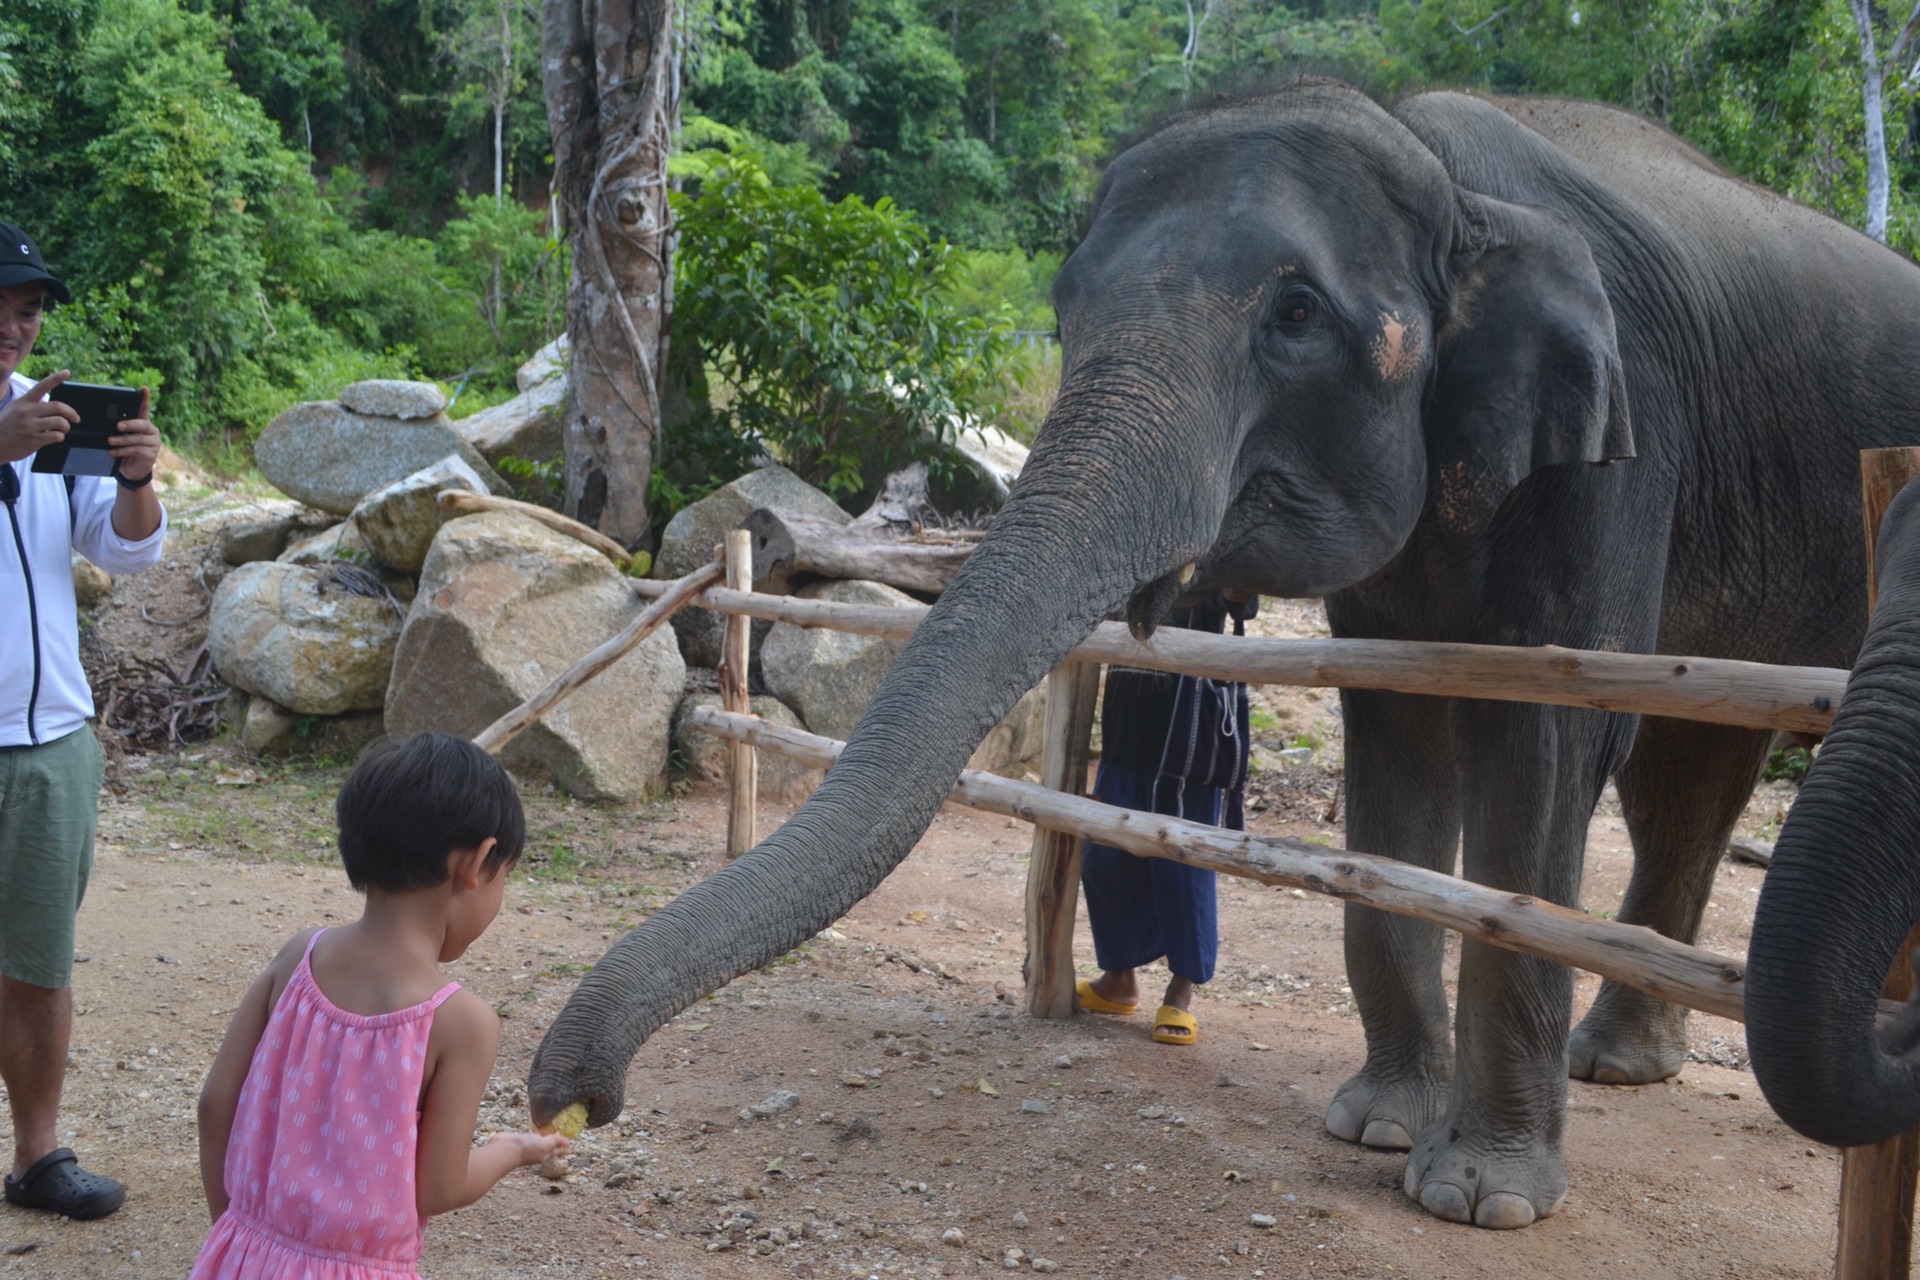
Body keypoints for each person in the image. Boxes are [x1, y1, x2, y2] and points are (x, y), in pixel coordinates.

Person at [191, 733, 569, 1279]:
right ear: (478, 862)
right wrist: (511, 1149)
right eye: (504, 877)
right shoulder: (461, 1023)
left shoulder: (300, 955)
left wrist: (234, 1230)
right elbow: (440, 1187)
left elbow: (214, 1103)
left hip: (243, 1252)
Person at [0, 223, 165, 1220]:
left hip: (53, 739)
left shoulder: (53, 422)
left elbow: (131, 550)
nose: (20, 321)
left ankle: (37, 1154)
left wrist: (137, 477)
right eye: (4, 300)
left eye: (30, 305)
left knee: (35, 959)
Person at [1076, 592, 1257, 1046]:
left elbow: (1246, 600)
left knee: (1182, 862)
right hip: (1127, 717)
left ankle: (1180, 992)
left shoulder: (1219, 531)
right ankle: (1118, 978)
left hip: (1190, 725)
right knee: (1104, 857)